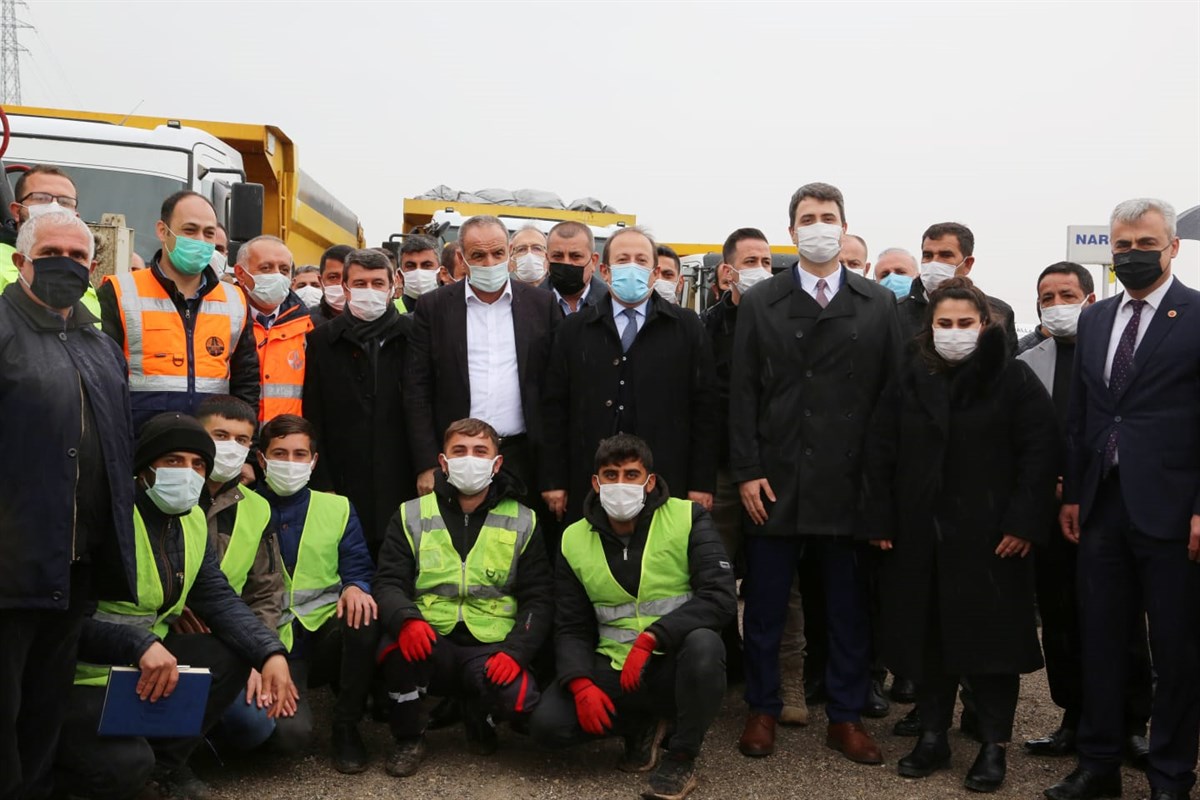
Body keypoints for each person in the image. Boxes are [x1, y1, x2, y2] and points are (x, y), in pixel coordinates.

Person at [861, 277, 1058, 792]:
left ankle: (993, 746)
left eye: (964, 323)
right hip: (919, 536)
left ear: (984, 324)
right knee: (925, 639)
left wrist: (1022, 522)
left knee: (992, 647)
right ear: (930, 327)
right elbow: (880, 450)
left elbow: (1039, 454)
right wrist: (879, 518)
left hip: (992, 539)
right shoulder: (910, 377)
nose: (953, 333)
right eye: (943, 324)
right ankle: (931, 735)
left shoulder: (1012, 379)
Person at [730, 182, 899, 764]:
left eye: (829, 217)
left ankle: (847, 716)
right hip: (775, 479)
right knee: (767, 605)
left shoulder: (878, 303)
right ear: (792, 229)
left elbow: (889, 400)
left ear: (845, 225)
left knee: (849, 609)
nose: (819, 225)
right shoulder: (762, 301)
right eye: (808, 217)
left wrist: (880, 485)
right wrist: (747, 471)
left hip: (848, 482)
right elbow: (743, 393)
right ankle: (763, 708)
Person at [55, 413, 296, 800]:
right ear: (143, 469)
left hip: (146, 668)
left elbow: (219, 599)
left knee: (230, 653)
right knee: (125, 765)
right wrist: (137, 644)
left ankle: (165, 767)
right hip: (80, 675)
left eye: (197, 464)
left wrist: (269, 653)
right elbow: (62, 623)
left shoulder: (193, 520)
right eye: (173, 461)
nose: (188, 473)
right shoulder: (105, 519)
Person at [1046, 198, 1200, 800]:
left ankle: (1169, 774)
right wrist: (1074, 493)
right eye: (1123, 246)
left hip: (1173, 510)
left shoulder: (1195, 315)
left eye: (1145, 244)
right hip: (1102, 508)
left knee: (1177, 652)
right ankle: (1099, 763)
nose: (1132, 255)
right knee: (1102, 643)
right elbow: (1083, 414)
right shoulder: (1095, 317)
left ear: (1173, 247)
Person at [0, 210, 136, 800]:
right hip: (10, 565)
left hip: (74, 565)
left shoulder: (99, 344)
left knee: (43, 711)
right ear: (20, 260)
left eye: (80, 256)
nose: (67, 264)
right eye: (53, 251)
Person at [530, 434, 736, 800]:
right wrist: (579, 684)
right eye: (610, 475)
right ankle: (639, 725)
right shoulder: (573, 538)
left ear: (649, 481)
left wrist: (653, 637)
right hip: (614, 665)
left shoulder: (688, 517)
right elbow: (571, 625)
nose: (620, 484)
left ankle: (682, 756)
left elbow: (719, 598)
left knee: (705, 645)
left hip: (673, 662)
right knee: (548, 727)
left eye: (631, 474)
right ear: (596, 483)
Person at [1016, 263, 1153, 765]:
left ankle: (1133, 723)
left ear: (1091, 299)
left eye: (1066, 293)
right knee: (1059, 619)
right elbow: (1024, 436)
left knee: (1122, 617)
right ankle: (1072, 717)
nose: (1056, 303)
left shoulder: (1119, 355)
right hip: (1048, 510)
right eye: (1046, 295)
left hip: (1107, 505)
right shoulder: (1027, 361)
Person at [375, 418, 552, 776]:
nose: (469, 459)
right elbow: (388, 582)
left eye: (480, 451)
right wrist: (406, 620)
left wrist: (516, 652)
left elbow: (539, 598)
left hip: (491, 644)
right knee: (393, 650)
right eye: (460, 451)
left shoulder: (524, 519)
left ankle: (478, 712)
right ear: (443, 462)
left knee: (520, 700)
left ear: (497, 463)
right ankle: (409, 737)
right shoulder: (411, 514)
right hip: (429, 637)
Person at [541, 225, 718, 527]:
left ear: (654, 271)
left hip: (664, 478)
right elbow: (555, 409)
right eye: (623, 260)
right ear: (605, 271)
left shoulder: (686, 327)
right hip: (590, 478)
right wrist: (553, 479)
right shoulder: (574, 329)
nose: (632, 267)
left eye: (641, 260)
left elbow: (706, 409)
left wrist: (701, 483)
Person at [702, 227, 806, 718]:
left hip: (774, 473)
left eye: (767, 261)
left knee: (780, 586)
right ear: (727, 271)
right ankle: (719, 672)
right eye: (751, 261)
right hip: (721, 475)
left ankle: (787, 682)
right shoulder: (703, 328)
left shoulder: (789, 319)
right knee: (711, 577)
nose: (761, 269)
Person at [246, 414, 380, 773]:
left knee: (364, 614)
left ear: (314, 461)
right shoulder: (240, 508)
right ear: (261, 459)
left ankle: (347, 726)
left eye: (299, 454)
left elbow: (357, 565)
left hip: (323, 635)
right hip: (269, 640)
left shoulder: (337, 507)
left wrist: (356, 587)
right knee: (290, 737)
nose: (290, 463)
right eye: (280, 453)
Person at [405, 215, 558, 508]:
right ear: (462, 259)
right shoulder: (434, 307)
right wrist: (426, 463)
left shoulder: (541, 305)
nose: (489, 262)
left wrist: (553, 476)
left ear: (509, 252)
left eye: (497, 253)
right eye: (478, 255)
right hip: (455, 458)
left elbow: (553, 393)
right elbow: (417, 389)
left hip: (521, 456)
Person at [98, 190, 259, 430]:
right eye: (190, 230)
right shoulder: (120, 292)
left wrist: (245, 451)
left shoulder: (235, 300)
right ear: (163, 231)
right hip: (141, 448)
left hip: (211, 449)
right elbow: (103, 382)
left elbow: (246, 384)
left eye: (209, 233)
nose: (201, 241)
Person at [190, 396, 290, 754]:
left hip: (229, 636)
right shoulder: (171, 494)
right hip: (170, 636)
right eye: (220, 435)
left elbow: (265, 591)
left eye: (242, 440)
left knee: (256, 725)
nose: (231, 448)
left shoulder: (258, 508)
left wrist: (256, 654)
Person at [304, 248, 415, 554]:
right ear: (345, 288)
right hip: (344, 476)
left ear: (393, 287)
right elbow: (315, 414)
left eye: (378, 283)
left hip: (401, 475)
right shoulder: (322, 340)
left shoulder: (414, 335)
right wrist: (322, 479)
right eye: (361, 283)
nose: (370, 291)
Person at [896, 222, 1017, 352]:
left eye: (945, 255)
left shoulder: (999, 313)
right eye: (928, 255)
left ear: (967, 264)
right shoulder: (896, 312)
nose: (934, 262)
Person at [0, 163, 101, 317]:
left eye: (65, 202)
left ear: (76, 216)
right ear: (16, 211)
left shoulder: (80, 268)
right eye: (41, 198)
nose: (54, 207)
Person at [234, 236, 314, 422]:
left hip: (287, 443)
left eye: (284, 270)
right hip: (237, 440)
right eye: (266, 268)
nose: (277, 275)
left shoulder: (307, 328)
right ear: (240, 273)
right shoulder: (224, 319)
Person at [543, 220, 610, 315]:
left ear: (594, 261)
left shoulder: (611, 304)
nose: (566, 263)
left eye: (576, 256)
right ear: (547, 259)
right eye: (558, 256)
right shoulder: (529, 303)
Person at [396, 234, 442, 313]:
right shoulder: (389, 313)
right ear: (400, 275)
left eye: (427, 265)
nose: (419, 272)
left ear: (441, 272)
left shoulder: (454, 310)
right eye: (410, 266)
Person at [312, 243, 352, 326]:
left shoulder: (374, 321)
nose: (342, 284)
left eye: (347, 276)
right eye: (333, 277)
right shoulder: (306, 323)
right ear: (321, 281)